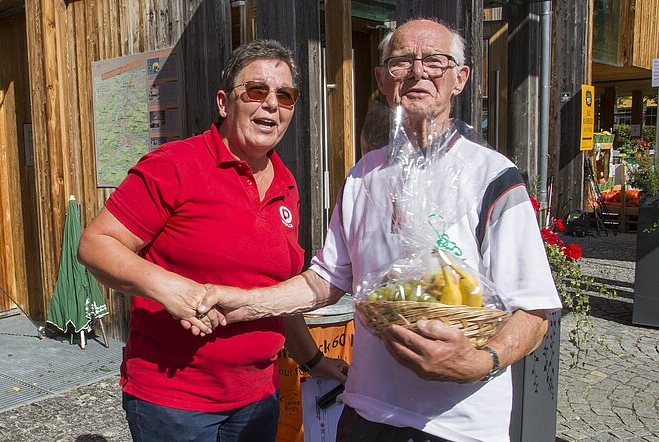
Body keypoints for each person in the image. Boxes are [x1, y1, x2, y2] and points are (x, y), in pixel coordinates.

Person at [195, 19, 561, 441]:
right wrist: (243, 303)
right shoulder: (363, 175)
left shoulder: (493, 176)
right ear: (384, 80)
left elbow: (534, 312)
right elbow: (324, 281)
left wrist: (481, 361)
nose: (418, 71)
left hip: (459, 425)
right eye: (401, 61)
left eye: (435, 61)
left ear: (460, 79)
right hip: (366, 413)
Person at [77, 39, 347, 442]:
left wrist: (313, 360)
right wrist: (168, 288)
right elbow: (96, 244)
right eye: (256, 90)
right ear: (224, 103)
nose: (271, 104)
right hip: (175, 403)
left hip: (260, 397)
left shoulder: (286, 184)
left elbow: (279, 294)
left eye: (285, 96)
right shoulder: (175, 165)